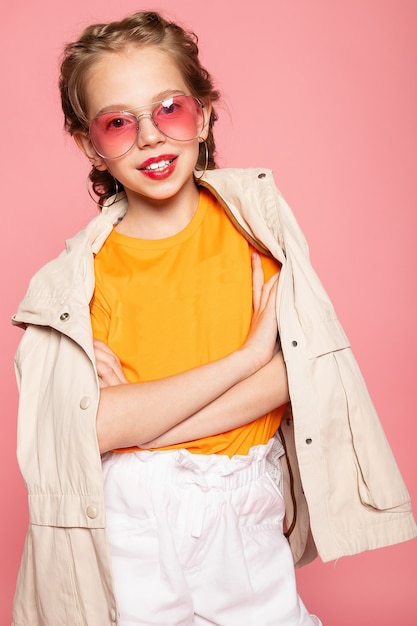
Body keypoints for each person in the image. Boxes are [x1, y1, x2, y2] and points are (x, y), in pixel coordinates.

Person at [11, 10, 416, 626]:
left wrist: (141, 421)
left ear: (202, 112)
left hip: (246, 500)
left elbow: (294, 376)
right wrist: (247, 359)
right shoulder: (80, 278)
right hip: (135, 512)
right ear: (89, 144)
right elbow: (85, 432)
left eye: (168, 108)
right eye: (118, 122)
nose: (149, 136)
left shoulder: (257, 232)